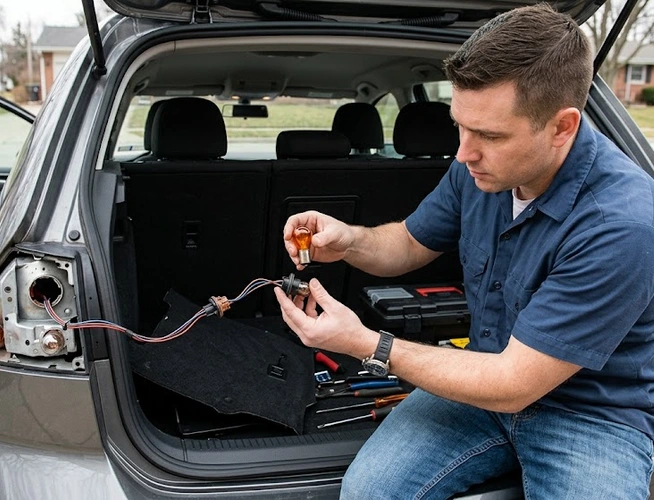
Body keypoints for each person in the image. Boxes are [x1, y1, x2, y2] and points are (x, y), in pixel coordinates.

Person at [273, 4, 654, 499]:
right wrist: (350, 239)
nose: (463, 152)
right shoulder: (479, 170)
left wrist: (368, 344)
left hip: (592, 415)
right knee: (368, 493)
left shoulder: (621, 223)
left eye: (490, 135)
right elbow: (409, 243)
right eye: (460, 125)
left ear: (562, 127)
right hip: (479, 383)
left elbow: (516, 382)